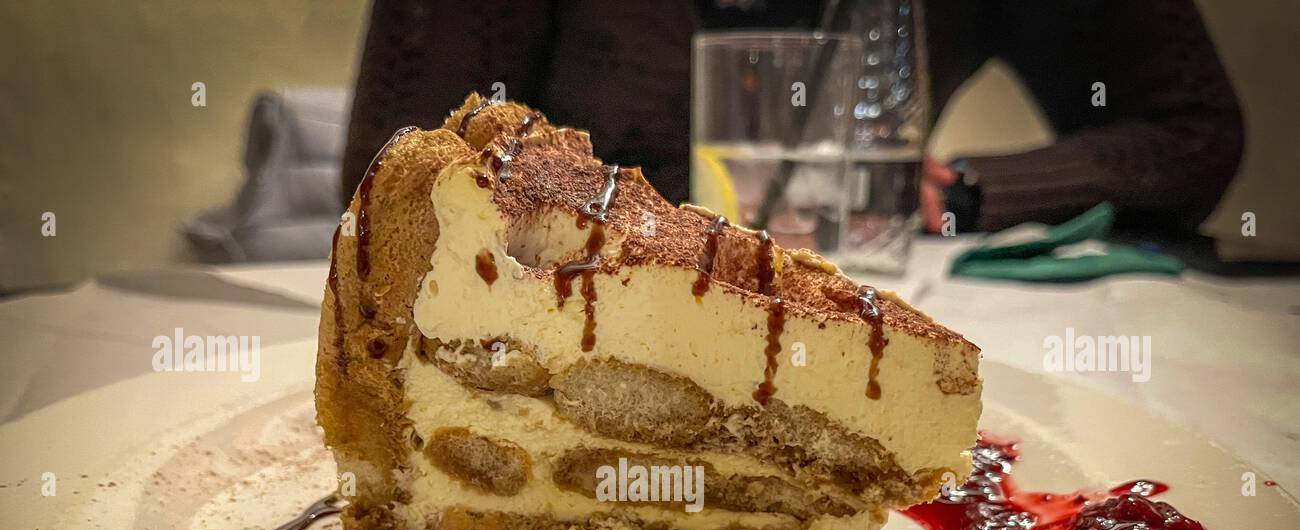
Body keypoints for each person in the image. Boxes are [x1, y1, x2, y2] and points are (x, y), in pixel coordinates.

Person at [343, 0, 1243, 236]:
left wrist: (967, 194)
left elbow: (1192, 131)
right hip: (570, 308)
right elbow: (395, 175)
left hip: (876, 293)